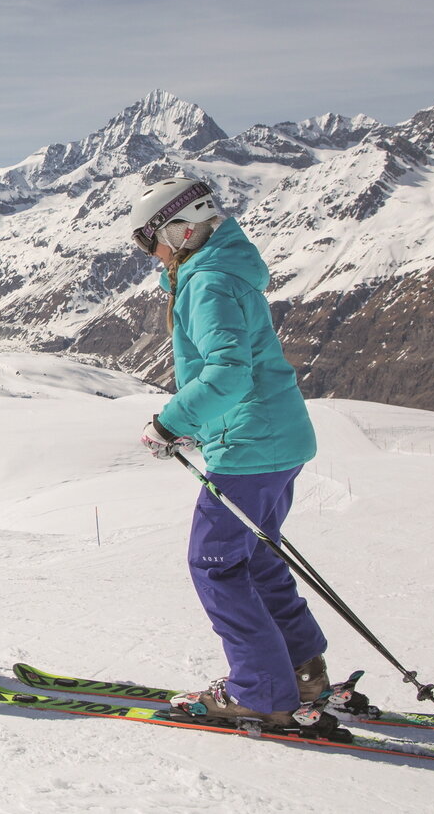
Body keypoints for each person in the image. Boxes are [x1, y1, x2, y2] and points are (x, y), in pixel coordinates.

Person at [130, 176, 329, 728]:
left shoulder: (207, 283)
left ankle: (263, 693)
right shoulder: (226, 270)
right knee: (259, 557)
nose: (154, 256)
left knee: (215, 566)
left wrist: (169, 424)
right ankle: (302, 671)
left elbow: (226, 374)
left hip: (250, 444)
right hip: (276, 437)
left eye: (153, 243)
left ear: (182, 228)